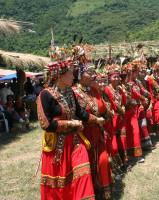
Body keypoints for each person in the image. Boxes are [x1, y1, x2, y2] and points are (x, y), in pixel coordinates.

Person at [36, 45, 105, 200]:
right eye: (70, 74)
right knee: (60, 184)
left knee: (83, 172)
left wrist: (96, 119)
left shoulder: (70, 92)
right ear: (60, 76)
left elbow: (80, 112)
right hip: (57, 148)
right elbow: (46, 124)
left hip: (74, 142)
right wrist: (72, 124)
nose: (74, 77)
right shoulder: (45, 96)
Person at [73, 65, 113, 199]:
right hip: (83, 136)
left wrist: (108, 114)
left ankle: (103, 193)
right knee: (87, 166)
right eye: (89, 73)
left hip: (97, 133)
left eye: (93, 73)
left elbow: (102, 109)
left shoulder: (93, 91)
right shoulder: (73, 93)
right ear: (80, 75)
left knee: (102, 161)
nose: (93, 76)